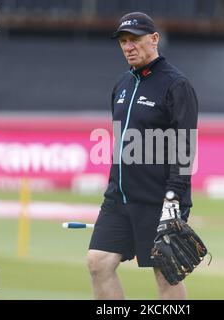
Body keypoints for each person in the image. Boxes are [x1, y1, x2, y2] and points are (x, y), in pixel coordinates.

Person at [86, 12, 198, 300]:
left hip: (160, 200)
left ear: (154, 39)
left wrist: (173, 197)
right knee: (98, 262)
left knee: (166, 273)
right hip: (119, 199)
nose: (128, 46)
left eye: (134, 39)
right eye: (123, 41)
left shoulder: (176, 85)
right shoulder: (122, 85)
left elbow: (185, 146)